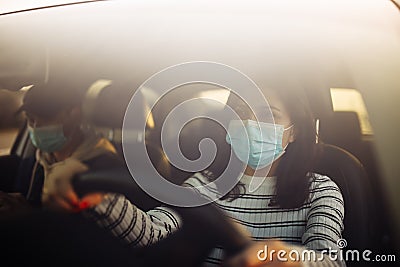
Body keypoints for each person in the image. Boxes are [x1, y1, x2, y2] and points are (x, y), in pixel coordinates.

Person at [43, 86, 345, 267]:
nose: (250, 121)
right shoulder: (205, 183)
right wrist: (95, 194)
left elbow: (330, 259)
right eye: (240, 109)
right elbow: (153, 231)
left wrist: (286, 259)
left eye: (269, 113)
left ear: (295, 133)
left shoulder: (320, 190)